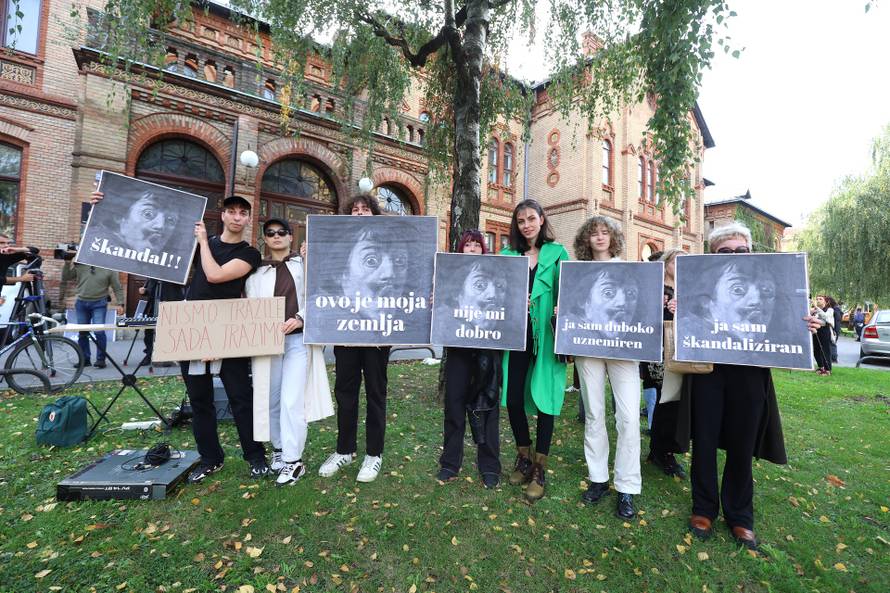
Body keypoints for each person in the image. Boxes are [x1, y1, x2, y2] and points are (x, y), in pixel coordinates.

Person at [671, 222, 822, 553]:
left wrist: (807, 326)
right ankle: (704, 509)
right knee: (706, 441)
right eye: (726, 252)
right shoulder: (698, 297)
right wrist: (677, 313)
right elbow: (680, 328)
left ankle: (740, 515)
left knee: (743, 445)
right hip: (708, 371)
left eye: (742, 250)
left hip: (751, 376)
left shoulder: (772, 291)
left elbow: (790, 333)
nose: (736, 256)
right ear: (713, 257)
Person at [182, 195, 267, 482]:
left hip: (229, 329)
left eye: (243, 213)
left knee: (241, 396)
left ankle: (255, 456)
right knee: (199, 398)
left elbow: (216, 275)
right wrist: (102, 206)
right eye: (231, 211)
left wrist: (204, 243)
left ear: (247, 219)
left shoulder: (249, 253)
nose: (236, 217)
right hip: (194, 327)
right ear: (223, 215)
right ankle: (210, 458)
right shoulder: (201, 243)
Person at [247, 218, 333, 486]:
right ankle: (280, 450)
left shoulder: (303, 265)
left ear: (290, 237)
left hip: (297, 341)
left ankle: (294, 462)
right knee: (270, 399)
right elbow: (248, 307)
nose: (276, 237)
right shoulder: (257, 273)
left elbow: (318, 295)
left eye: (282, 232)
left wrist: (301, 317)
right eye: (270, 233)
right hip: (267, 342)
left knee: (291, 400)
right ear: (265, 238)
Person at [317, 194, 392, 483]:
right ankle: (344, 450)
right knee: (345, 393)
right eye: (355, 209)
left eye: (365, 209)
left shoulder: (385, 245)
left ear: (375, 214)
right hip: (345, 333)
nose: (360, 213)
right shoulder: (338, 246)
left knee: (376, 393)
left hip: (376, 336)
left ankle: (374, 454)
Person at [572, 216, 641, 519]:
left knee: (627, 417)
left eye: (605, 233)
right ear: (586, 240)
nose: (600, 238)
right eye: (594, 234)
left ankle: (626, 485)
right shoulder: (578, 273)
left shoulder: (629, 269)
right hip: (588, 348)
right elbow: (573, 307)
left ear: (613, 238)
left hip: (624, 349)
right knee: (594, 413)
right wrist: (566, 312)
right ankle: (598, 478)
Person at [501, 199, 569, 503]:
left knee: (545, 399)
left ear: (542, 220)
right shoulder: (507, 255)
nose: (526, 224)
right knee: (513, 397)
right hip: (516, 336)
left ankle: (540, 468)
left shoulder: (557, 254)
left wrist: (560, 304)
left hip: (547, 336)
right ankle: (523, 456)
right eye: (520, 220)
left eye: (531, 218)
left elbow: (569, 291)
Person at [437, 230, 502, 488]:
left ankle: (489, 466)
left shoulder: (494, 275)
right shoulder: (451, 277)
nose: (473, 248)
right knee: (454, 406)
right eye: (468, 244)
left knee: (488, 407)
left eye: (477, 244)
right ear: (461, 249)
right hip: (458, 351)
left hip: (489, 352)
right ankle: (450, 463)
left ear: (483, 250)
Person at [644, 248, 687, 479]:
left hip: (681, 349)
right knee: (665, 401)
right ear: (666, 263)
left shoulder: (684, 289)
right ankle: (662, 452)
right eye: (675, 260)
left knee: (674, 402)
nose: (679, 265)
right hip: (660, 351)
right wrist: (662, 308)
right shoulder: (656, 288)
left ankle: (661, 449)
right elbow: (644, 316)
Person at [61, 260, 124, 368]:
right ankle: (85, 359)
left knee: (99, 332)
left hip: (99, 303)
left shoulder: (109, 267)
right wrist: (67, 263)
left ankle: (100, 360)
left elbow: (117, 287)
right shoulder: (81, 263)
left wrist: (120, 303)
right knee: (82, 333)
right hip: (81, 303)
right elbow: (66, 277)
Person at [138, 278, 184, 366]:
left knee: (169, 332)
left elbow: (181, 285)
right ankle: (149, 354)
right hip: (153, 305)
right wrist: (144, 291)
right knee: (149, 332)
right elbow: (150, 289)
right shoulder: (154, 273)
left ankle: (170, 356)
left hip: (170, 304)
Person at [811, 295, 833, 375]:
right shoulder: (815, 310)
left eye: (820, 299)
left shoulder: (830, 310)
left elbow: (826, 318)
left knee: (825, 350)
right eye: (817, 299)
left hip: (825, 331)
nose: (818, 300)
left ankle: (828, 369)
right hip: (816, 331)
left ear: (826, 302)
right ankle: (821, 367)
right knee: (816, 350)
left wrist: (816, 308)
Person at [826, 296, 843, 363]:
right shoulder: (836, 309)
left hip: (834, 329)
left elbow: (836, 321)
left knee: (832, 343)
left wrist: (834, 330)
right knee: (831, 343)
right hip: (835, 328)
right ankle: (832, 358)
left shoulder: (835, 309)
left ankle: (834, 359)